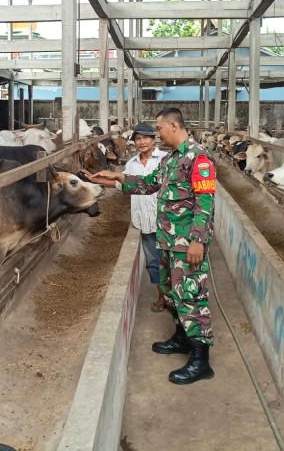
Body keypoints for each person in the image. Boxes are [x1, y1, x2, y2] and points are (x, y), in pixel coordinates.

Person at [86, 107, 216, 385]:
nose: (156, 134)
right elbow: (149, 184)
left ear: (173, 126)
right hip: (168, 241)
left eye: (158, 129)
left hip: (187, 244)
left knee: (191, 297)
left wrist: (198, 240)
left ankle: (200, 361)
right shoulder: (171, 159)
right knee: (172, 293)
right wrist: (117, 177)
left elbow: (205, 202)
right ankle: (182, 338)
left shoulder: (198, 158)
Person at [123, 122, 167, 313]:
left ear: (153, 139)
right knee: (153, 262)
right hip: (144, 222)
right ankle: (162, 296)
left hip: (166, 222)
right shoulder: (131, 164)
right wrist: (99, 180)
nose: (142, 142)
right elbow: (122, 184)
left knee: (171, 262)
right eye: (138, 139)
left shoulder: (165, 159)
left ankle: (176, 299)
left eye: (145, 138)